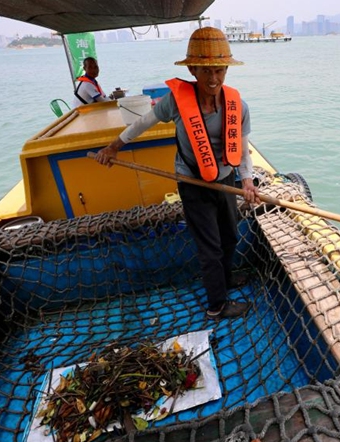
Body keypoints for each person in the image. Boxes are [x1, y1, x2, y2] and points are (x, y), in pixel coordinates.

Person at [94, 27, 260, 320]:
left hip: (225, 180)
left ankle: (226, 277)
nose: (212, 79)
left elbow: (242, 149)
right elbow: (143, 122)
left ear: (226, 70)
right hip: (191, 182)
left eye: (219, 70)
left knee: (230, 237)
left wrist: (246, 180)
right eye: (205, 70)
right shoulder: (177, 101)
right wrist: (113, 147)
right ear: (193, 69)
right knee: (209, 246)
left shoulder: (238, 106)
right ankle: (216, 306)